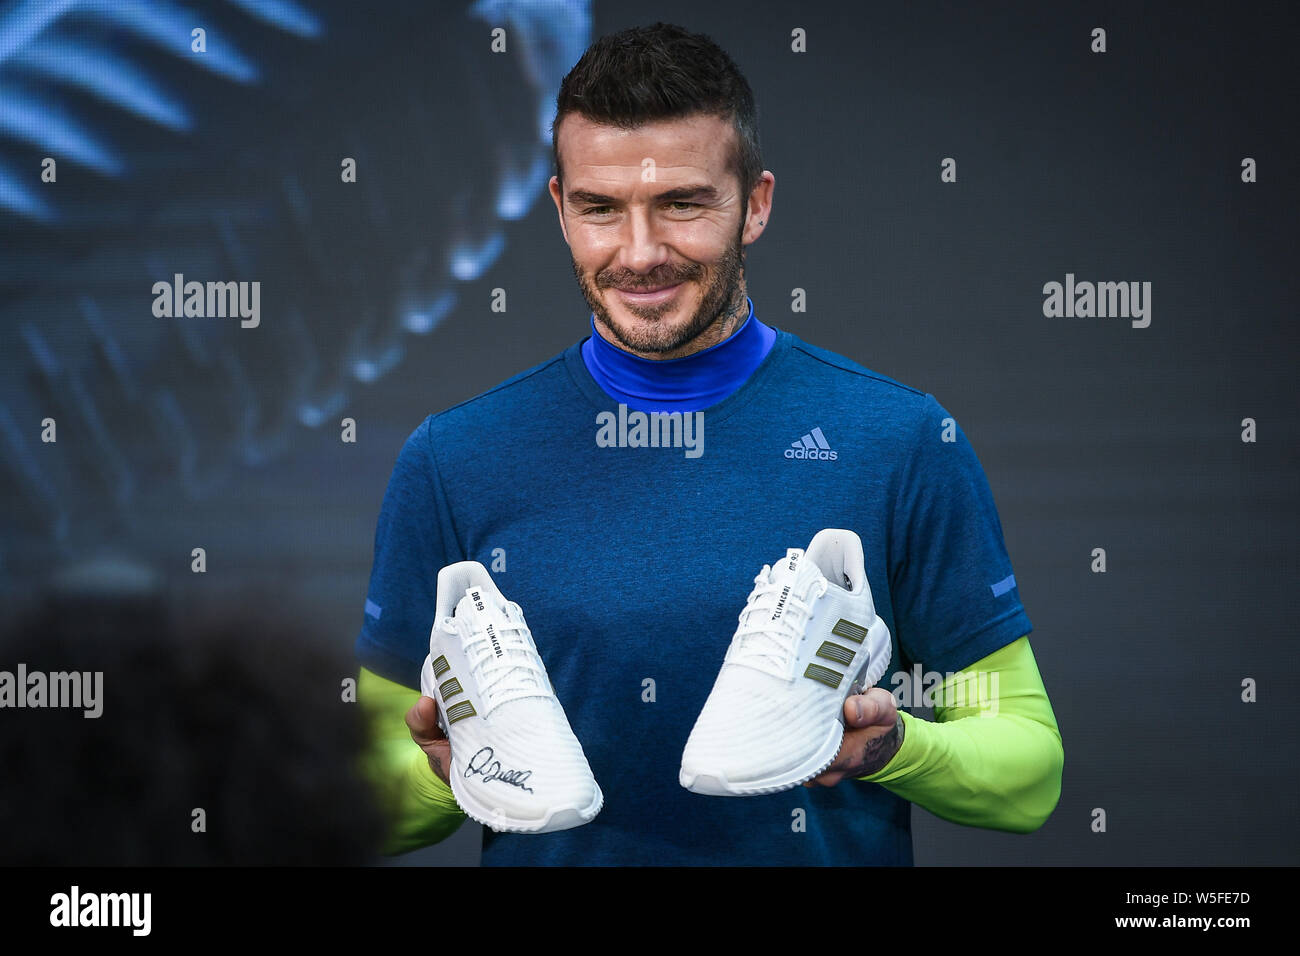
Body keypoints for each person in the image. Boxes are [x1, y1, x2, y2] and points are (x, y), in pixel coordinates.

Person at [355, 21, 1063, 865]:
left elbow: (1030, 770)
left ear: (755, 204)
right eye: (600, 209)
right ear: (559, 208)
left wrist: (891, 746)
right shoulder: (455, 459)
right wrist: (451, 775)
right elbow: (361, 791)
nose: (641, 252)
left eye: (682, 204)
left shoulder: (900, 440)